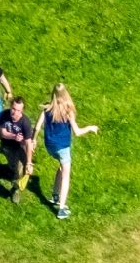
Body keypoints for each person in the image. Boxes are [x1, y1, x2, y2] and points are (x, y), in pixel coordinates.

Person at [31, 83, 99, 220]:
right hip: (62, 147)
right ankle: (61, 209)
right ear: (65, 94)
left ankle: (55, 196)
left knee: (61, 167)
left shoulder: (46, 109)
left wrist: (33, 140)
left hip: (50, 146)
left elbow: (37, 127)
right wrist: (90, 128)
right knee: (66, 175)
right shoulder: (68, 111)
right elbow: (78, 132)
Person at [0, 97, 34, 203]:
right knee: (16, 169)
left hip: (21, 146)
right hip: (8, 146)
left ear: (22, 111)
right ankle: (15, 190)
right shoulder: (5, 114)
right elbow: (2, 133)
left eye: (18, 110)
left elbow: (28, 143)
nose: (15, 112)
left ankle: (16, 180)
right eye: (13, 108)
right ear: (10, 106)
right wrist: (14, 137)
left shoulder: (25, 122)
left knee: (25, 167)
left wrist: (29, 162)